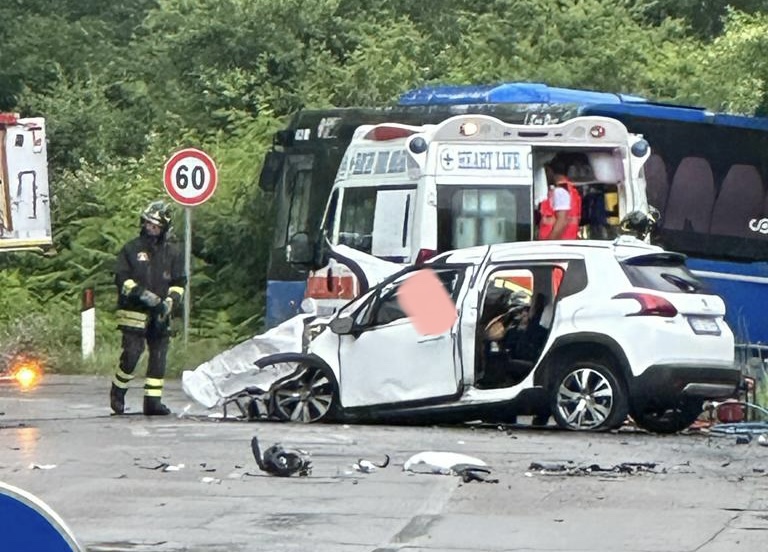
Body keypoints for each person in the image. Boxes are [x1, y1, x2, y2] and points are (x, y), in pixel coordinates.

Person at [110, 200, 186, 416]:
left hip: (161, 312)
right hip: (133, 311)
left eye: (156, 226)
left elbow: (180, 283)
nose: (150, 228)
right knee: (133, 354)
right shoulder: (131, 249)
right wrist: (143, 295)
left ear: (164, 229)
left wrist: (170, 301)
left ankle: (153, 402)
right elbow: (122, 279)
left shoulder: (172, 253)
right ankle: (118, 391)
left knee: (159, 355)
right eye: (148, 224)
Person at [538, 156, 582, 240]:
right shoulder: (568, 190)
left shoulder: (560, 192)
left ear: (550, 170)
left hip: (557, 246)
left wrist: (549, 244)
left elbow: (562, 221)